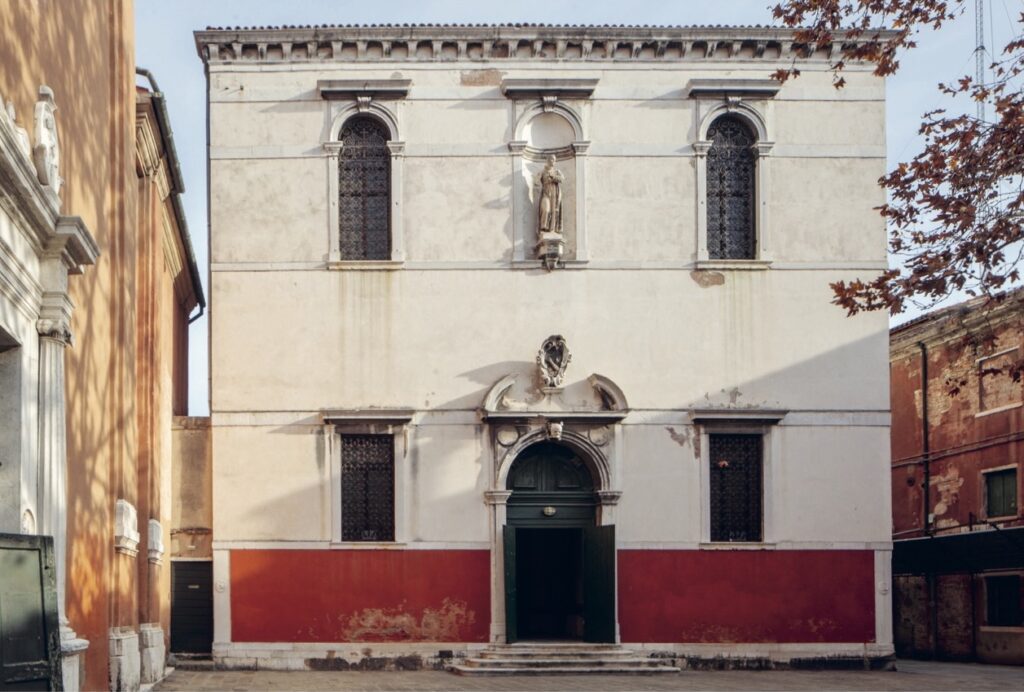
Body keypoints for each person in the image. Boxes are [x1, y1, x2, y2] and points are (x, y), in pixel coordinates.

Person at [536, 154, 564, 233]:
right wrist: (537, 179)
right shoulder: (543, 171)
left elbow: (562, 179)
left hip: (555, 194)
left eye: (555, 160)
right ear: (548, 160)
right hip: (546, 193)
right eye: (552, 159)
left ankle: (552, 229)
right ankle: (543, 227)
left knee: (554, 211)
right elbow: (536, 182)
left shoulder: (557, 171)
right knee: (546, 209)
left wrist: (553, 177)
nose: (553, 162)